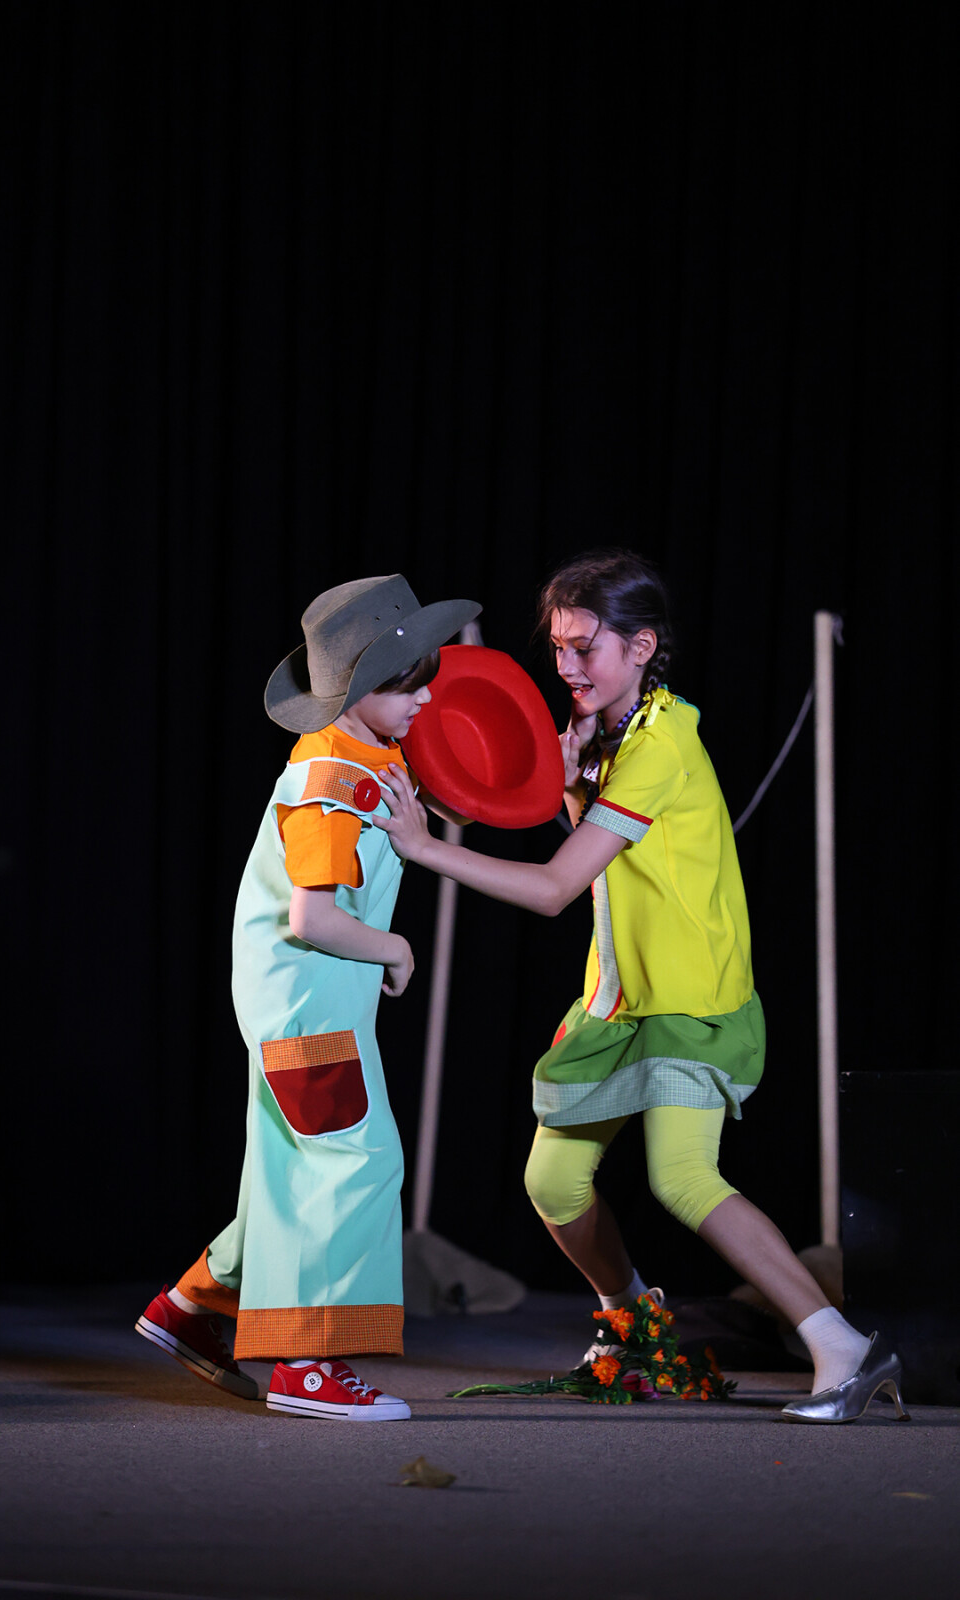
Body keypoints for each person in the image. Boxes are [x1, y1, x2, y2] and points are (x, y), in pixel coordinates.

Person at [375, 549, 908, 1425]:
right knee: (554, 1181)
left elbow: (556, 888)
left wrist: (425, 847)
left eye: (584, 647)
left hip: (691, 996)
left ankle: (843, 1347)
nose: (566, 666)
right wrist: (565, 781)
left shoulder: (661, 742)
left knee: (682, 1175)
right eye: (557, 647)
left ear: (641, 646)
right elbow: (593, 854)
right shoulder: (608, 731)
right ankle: (635, 1325)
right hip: (618, 999)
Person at [136, 574, 480, 1421]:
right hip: (308, 1008)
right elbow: (313, 916)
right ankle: (307, 1365)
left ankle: (193, 1307)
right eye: (407, 683)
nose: (425, 696)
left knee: (292, 1170)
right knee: (354, 1161)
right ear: (358, 692)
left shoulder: (363, 753)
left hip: (302, 1004)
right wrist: (396, 947)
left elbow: (456, 790)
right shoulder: (331, 777)